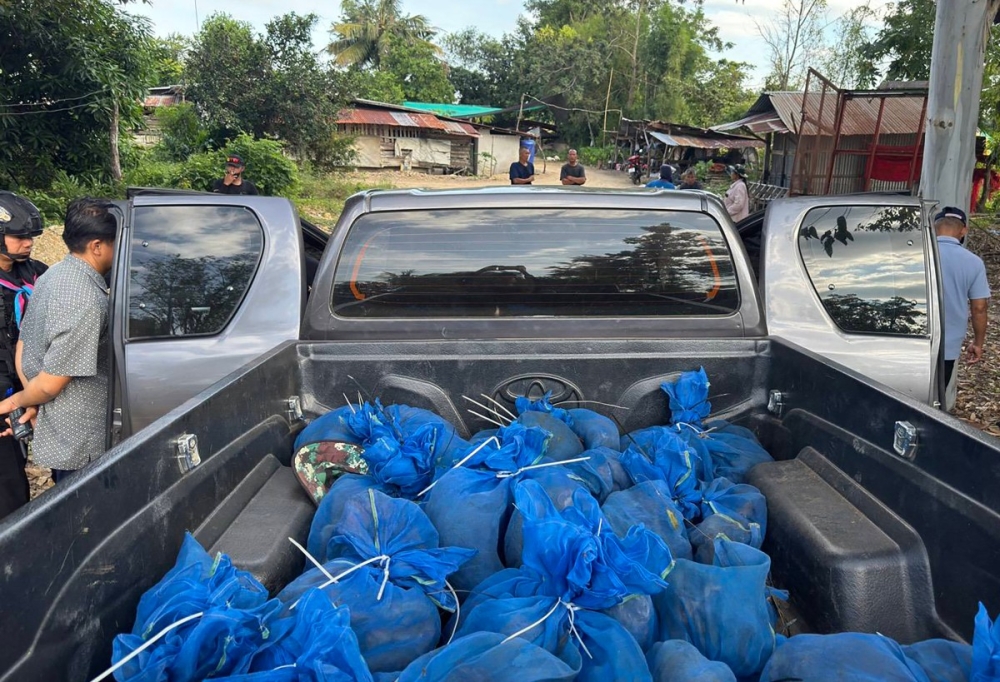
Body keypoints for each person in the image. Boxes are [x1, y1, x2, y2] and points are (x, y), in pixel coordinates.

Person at [0, 198, 117, 484]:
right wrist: (18, 401)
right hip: (79, 441)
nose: (27, 243)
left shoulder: (51, 274)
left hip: (58, 425)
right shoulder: (84, 297)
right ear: (97, 246)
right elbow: (52, 382)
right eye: (117, 242)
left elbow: (23, 345)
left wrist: (32, 398)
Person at [0, 192, 47, 518]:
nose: (27, 243)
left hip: (33, 387)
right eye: (19, 237)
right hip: (5, 395)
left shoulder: (35, 273)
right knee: (9, 486)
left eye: (30, 237)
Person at [935, 206, 990, 394]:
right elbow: (979, 308)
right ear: (963, 230)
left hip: (911, 338)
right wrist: (978, 343)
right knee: (935, 397)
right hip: (947, 344)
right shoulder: (974, 262)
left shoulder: (917, 256)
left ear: (935, 227)